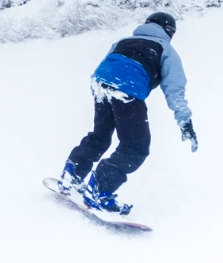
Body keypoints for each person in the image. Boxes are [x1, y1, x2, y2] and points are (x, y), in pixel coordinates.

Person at [57, 12, 198, 215]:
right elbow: (175, 89)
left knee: (100, 135)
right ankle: (99, 190)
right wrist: (185, 122)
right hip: (127, 88)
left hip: (100, 83)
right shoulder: (166, 49)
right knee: (135, 146)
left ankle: (73, 174)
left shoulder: (124, 41)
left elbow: (107, 64)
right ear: (169, 31)